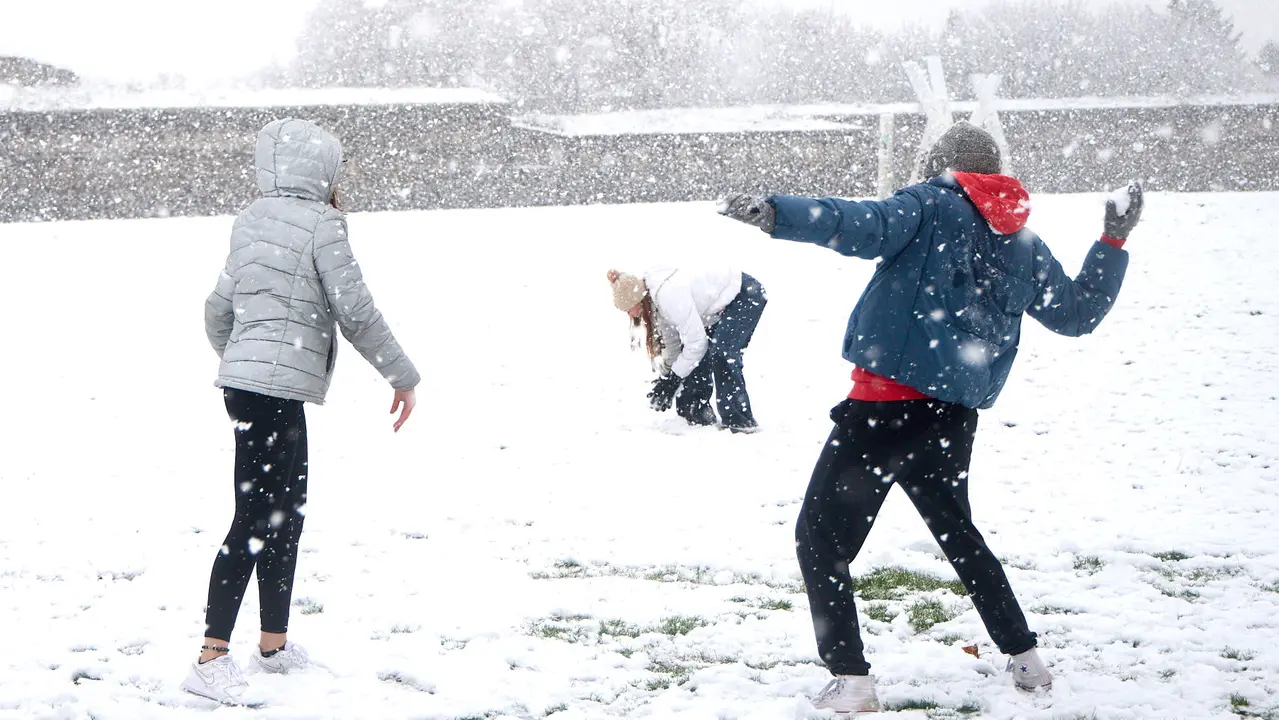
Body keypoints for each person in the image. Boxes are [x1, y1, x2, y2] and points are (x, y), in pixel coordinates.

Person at [719, 121, 1143, 713]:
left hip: (884, 410)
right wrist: (1113, 241)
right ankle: (1027, 661)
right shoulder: (1022, 241)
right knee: (958, 535)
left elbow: (857, 223)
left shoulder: (928, 206)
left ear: (941, 165)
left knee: (820, 537)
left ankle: (851, 681)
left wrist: (776, 212)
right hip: (951, 419)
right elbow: (1077, 314)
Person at [187, 117, 421, 704]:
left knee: (286, 513)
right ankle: (210, 660)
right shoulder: (323, 224)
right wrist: (402, 375)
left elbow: (218, 309)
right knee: (256, 519)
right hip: (272, 389)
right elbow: (356, 310)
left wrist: (244, 363)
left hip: (258, 388)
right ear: (324, 172)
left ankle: (273, 643)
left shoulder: (250, 221)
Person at [607, 264, 767, 432]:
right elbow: (672, 343)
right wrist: (667, 378)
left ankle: (739, 420)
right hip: (717, 308)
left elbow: (697, 344)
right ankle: (694, 412)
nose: (630, 314)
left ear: (638, 299)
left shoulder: (668, 296)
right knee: (691, 357)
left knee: (722, 353)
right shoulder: (655, 303)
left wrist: (675, 378)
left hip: (744, 294)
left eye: (629, 309)